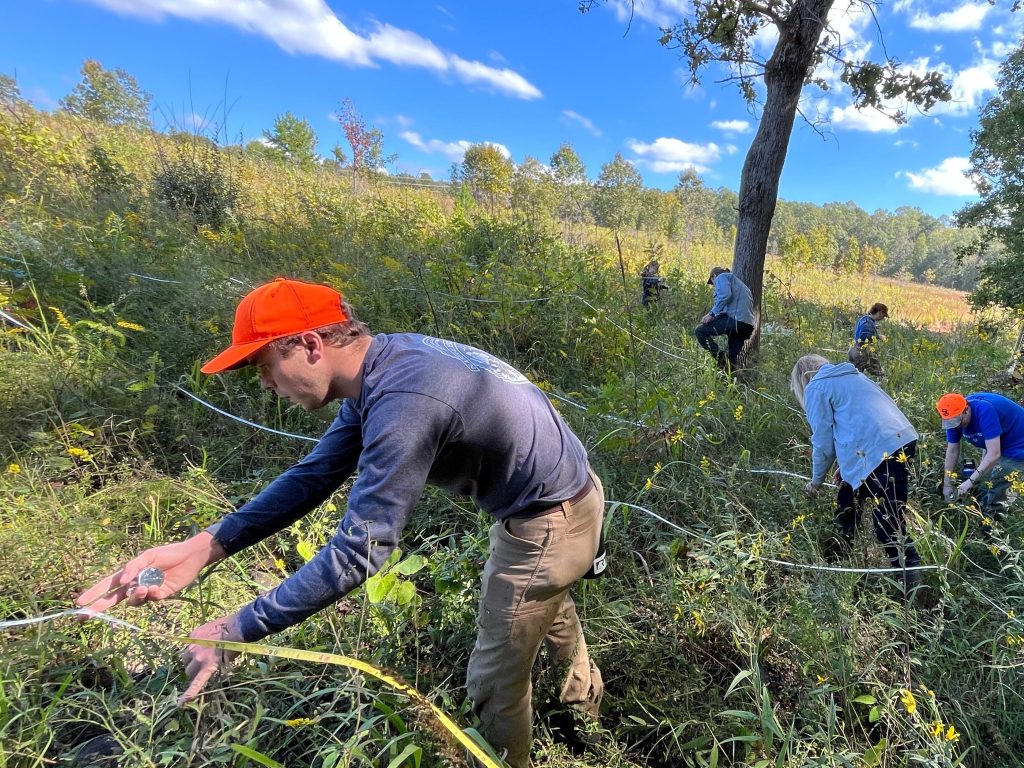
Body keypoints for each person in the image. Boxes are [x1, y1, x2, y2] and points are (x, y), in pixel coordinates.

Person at [77, 277, 605, 768]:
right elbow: (315, 474)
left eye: (264, 365)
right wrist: (204, 547)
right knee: (546, 608)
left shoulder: (405, 398)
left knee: (495, 679)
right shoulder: (383, 364)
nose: (264, 384)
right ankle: (588, 725)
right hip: (558, 503)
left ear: (309, 345)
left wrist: (235, 630)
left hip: (546, 523)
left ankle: (512, 756)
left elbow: (362, 550)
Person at [790, 355, 921, 581]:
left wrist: (816, 482)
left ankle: (910, 583)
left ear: (802, 378)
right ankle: (839, 559)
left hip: (883, 451)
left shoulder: (817, 387)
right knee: (846, 499)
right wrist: (847, 465)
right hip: (900, 440)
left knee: (887, 526)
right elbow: (858, 423)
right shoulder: (854, 376)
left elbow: (823, 442)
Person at [937, 391, 1024, 515]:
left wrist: (969, 482)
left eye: (958, 422)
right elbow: (952, 450)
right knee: (984, 482)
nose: (955, 426)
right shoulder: (952, 417)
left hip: (1018, 442)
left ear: (966, 410)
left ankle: (994, 524)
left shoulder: (985, 410)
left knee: (999, 480)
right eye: (950, 422)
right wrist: (947, 484)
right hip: (999, 440)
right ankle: (981, 512)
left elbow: (994, 454)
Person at [694, 266, 755, 370]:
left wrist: (711, 314)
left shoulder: (721, 277)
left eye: (713, 283)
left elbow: (725, 295)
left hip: (735, 321)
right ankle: (729, 381)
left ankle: (720, 357)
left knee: (700, 331)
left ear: (713, 277)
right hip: (746, 326)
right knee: (731, 362)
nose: (714, 286)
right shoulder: (740, 286)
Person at [848, 302, 888, 377]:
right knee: (876, 373)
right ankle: (883, 382)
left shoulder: (865, 319)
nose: (883, 318)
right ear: (880, 313)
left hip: (853, 350)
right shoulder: (868, 323)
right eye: (884, 315)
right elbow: (863, 337)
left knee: (855, 374)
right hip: (861, 351)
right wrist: (878, 336)